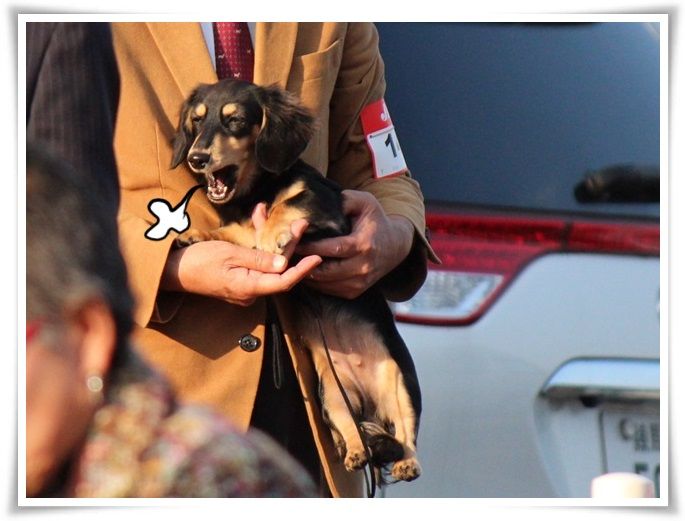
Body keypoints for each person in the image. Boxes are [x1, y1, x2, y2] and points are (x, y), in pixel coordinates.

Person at [110, 22, 438, 497]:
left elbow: (380, 166)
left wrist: (395, 232)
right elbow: (35, 196)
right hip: (165, 403)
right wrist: (170, 267)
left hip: (316, 409)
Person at [25, 144, 317, 498]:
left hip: (312, 374)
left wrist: (380, 221)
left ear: (89, 335)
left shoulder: (227, 480)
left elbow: (360, 159)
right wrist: (166, 262)